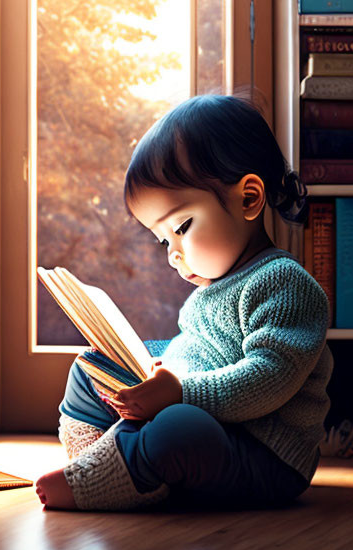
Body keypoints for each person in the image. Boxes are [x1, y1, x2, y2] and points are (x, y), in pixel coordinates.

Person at [34, 94, 333, 511]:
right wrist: (155, 370)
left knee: (181, 429)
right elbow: (197, 352)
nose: (173, 253)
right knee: (91, 366)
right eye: (162, 240)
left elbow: (269, 379)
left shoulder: (284, 283)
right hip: (197, 405)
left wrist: (179, 393)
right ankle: (104, 460)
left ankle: (111, 474)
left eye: (182, 227)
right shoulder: (214, 287)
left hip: (261, 452)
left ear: (248, 199)